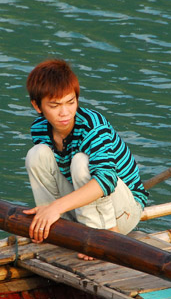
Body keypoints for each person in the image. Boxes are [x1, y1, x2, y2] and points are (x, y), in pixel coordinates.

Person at [23, 59, 148, 260]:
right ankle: (54, 225)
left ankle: (101, 234)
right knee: (36, 154)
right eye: (54, 105)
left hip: (122, 211)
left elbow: (106, 180)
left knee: (82, 161)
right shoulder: (39, 128)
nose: (65, 112)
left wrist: (56, 206)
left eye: (70, 102)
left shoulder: (92, 126)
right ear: (37, 106)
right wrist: (54, 209)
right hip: (82, 208)